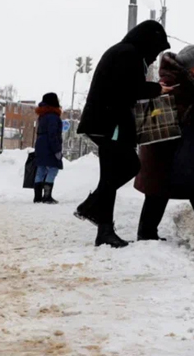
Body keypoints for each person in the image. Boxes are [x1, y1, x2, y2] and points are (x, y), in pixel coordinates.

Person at [74, 20, 172, 248]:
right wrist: (157, 89)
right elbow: (130, 89)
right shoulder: (128, 54)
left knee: (112, 174)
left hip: (105, 122)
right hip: (110, 123)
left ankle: (101, 225)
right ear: (149, 43)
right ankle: (97, 218)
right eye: (156, 51)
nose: (156, 57)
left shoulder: (123, 52)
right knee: (127, 167)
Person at [134, 45, 194, 241]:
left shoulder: (186, 83)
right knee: (160, 192)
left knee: (192, 184)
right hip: (163, 149)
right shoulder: (175, 84)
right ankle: (146, 234)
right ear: (190, 65)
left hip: (172, 147)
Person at [34, 92, 63, 204]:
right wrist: (56, 149)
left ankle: (37, 197)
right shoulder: (53, 116)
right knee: (53, 169)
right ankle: (47, 196)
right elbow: (53, 134)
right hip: (49, 146)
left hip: (40, 145)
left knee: (40, 170)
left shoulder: (42, 116)